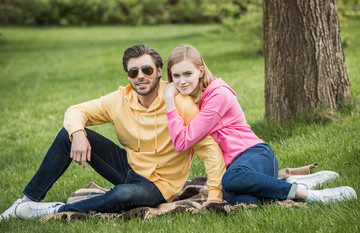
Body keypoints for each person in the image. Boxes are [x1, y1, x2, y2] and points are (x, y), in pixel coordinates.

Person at [0, 44, 226, 220]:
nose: (140, 76)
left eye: (147, 69)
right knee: (67, 134)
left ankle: (56, 209)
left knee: (122, 195)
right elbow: (75, 111)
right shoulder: (120, 99)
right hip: (127, 166)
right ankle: (26, 201)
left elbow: (210, 150)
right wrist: (78, 134)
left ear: (159, 71)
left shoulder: (179, 103)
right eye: (133, 71)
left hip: (159, 184)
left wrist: (215, 195)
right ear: (128, 75)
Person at [163, 44, 357, 204]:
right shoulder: (191, 101)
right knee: (242, 199)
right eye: (176, 76)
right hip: (238, 170)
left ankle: (311, 195)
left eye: (187, 73)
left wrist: (169, 101)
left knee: (231, 179)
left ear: (200, 71)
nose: (181, 81)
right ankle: (291, 181)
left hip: (256, 154)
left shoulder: (218, 95)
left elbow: (182, 142)